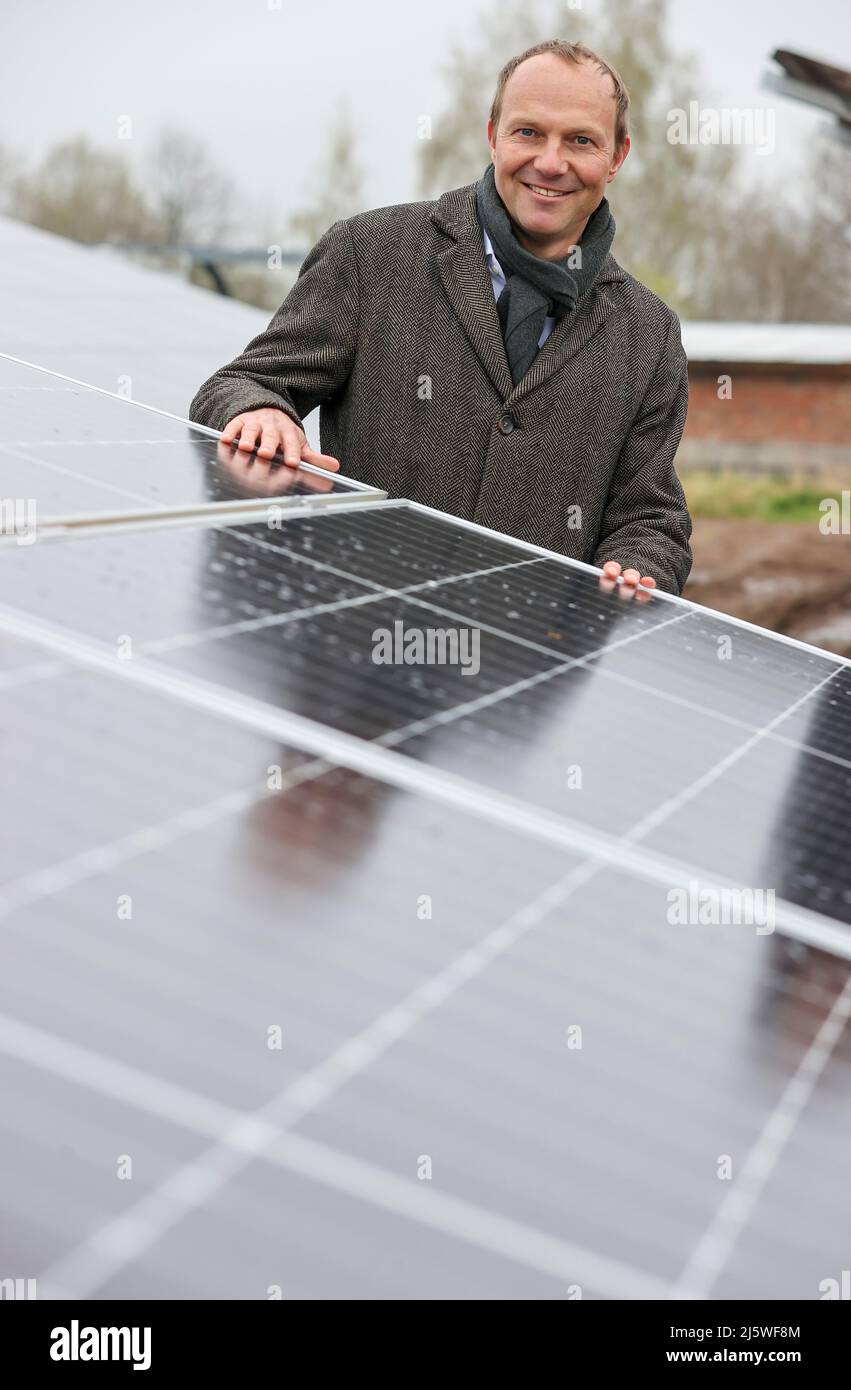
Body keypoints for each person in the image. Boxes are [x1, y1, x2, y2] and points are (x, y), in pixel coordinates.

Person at [190, 39, 693, 597]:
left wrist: (639, 563)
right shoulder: (372, 253)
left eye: (580, 140)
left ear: (617, 156)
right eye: (528, 132)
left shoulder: (649, 334)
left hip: (530, 664)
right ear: (493, 136)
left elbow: (651, 521)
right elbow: (241, 383)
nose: (551, 163)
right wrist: (261, 409)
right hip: (360, 646)